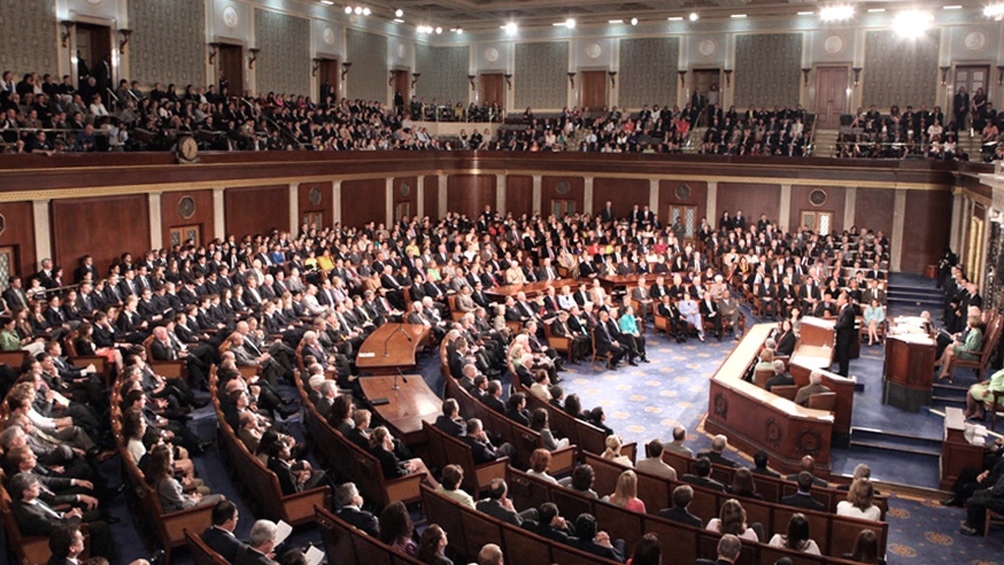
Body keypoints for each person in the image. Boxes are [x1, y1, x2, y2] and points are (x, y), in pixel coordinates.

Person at [936, 313, 984, 382]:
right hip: (966, 350)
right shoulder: (973, 331)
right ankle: (944, 370)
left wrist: (959, 346)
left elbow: (971, 348)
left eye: (968, 321)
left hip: (971, 354)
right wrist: (960, 344)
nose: (967, 322)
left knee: (950, 347)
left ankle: (941, 365)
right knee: (949, 349)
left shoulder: (977, 333)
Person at [833, 291, 856, 376]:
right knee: (842, 356)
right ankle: (841, 371)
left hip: (845, 338)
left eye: (839, 298)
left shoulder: (848, 310)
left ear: (845, 300)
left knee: (844, 356)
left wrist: (834, 327)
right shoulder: (843, 309)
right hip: (842, 337)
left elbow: (844, 323)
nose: (837, 300)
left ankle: (843, 373)